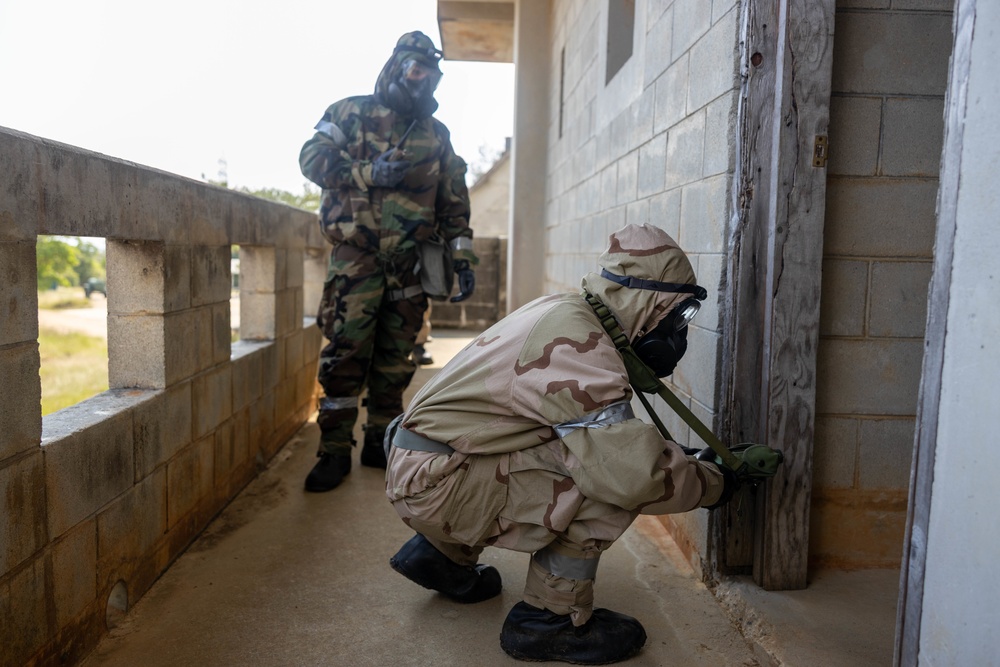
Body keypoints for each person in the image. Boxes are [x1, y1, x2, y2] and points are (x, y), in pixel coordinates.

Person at [384, 224, 762, 664]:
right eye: (676, 314)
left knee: (591, 454)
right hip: (436, 488)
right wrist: (718, 482)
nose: (677, 332)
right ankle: (550, 621)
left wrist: (688, 459)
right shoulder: (582, 347)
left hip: (425, 468)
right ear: (644, 299)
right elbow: (632, 475)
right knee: (610, 480)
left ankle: (440, 557)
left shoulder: (564, 311)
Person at [299, 31, 477, 492]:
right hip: (355, 262)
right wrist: (366, 173)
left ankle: (379, 440)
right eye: (416, 70)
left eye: (431, 75)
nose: (423, 82)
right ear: (396, 67)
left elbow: (454, 202)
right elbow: (311, 158)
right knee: (345, 356)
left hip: (410, 265)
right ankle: (333, 450)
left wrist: (463, 259)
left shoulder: (436, 136)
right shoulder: (348, 112)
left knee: (395, 360)